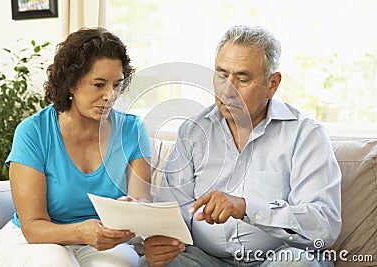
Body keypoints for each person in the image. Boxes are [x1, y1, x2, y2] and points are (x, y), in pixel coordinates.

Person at [139, 25, 341, 267]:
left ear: (272, 84)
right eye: (221, 75)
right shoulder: (193, 131)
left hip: (278, 259)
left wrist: (246, 208)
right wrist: (158, 240)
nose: (227, 91)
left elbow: (323, 224)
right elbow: (170, 211)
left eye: (242, 78)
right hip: (205, 260)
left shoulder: (305, 134)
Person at [0, 27, 151, 267]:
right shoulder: (34, 132)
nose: (110, 96)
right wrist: (81, 232)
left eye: (117, 85)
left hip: (99, 243)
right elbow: (33, 227)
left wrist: (134, 210)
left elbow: (142, 200)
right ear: (72, 83)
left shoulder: (132, 130)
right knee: (56, 261)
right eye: (99, 85)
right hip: (33, 240)